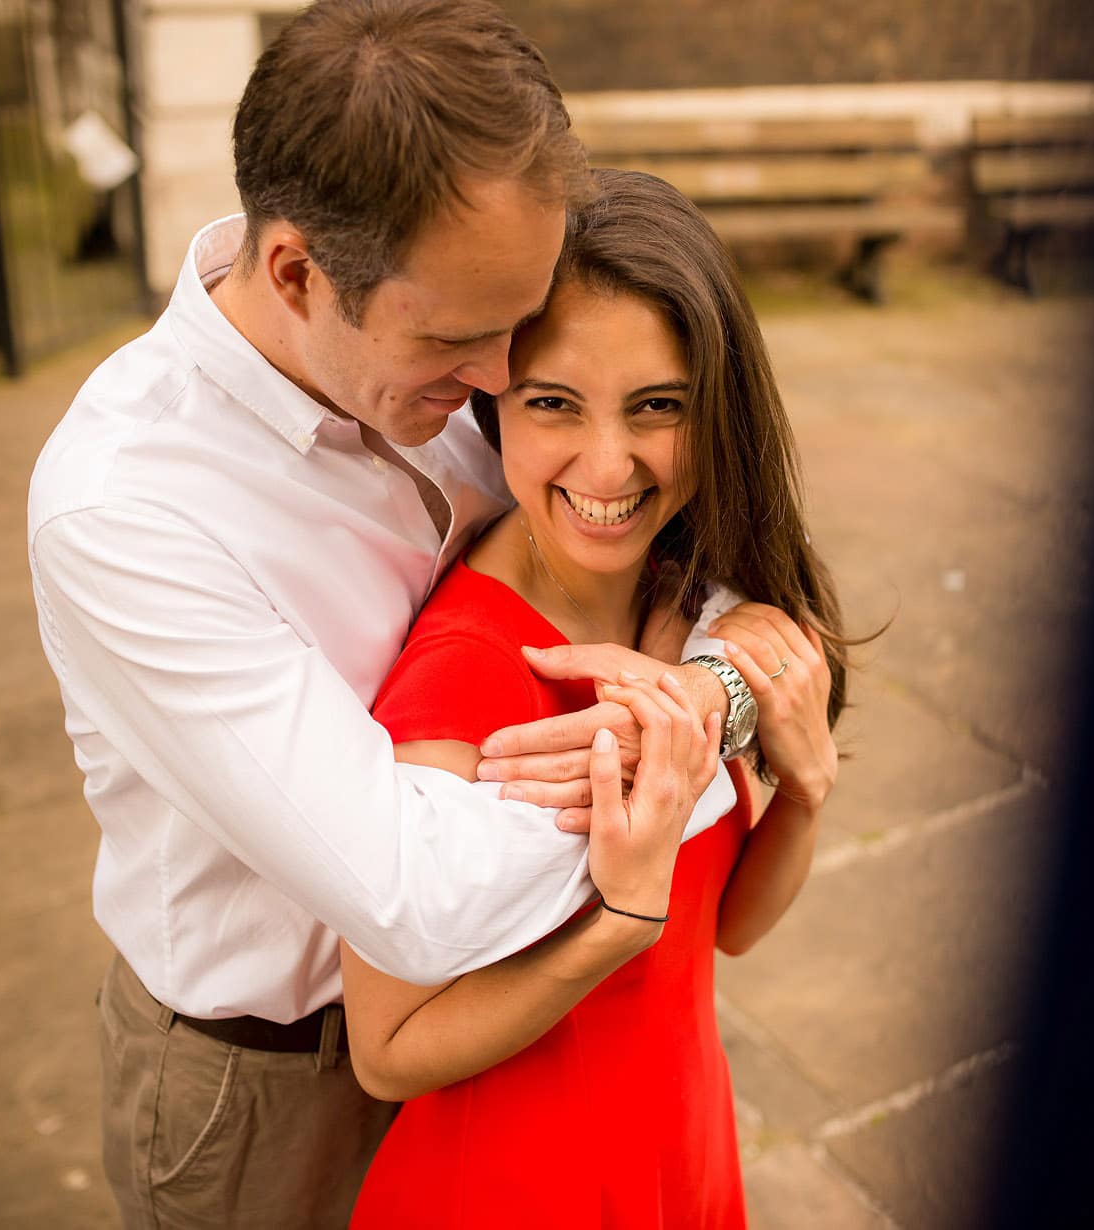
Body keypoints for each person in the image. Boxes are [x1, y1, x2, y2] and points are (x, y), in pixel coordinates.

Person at [26, 3, 757, 1225]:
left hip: (507, 1038)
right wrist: (692, 730)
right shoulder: (126, 512)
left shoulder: (441, 325)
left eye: (512, 332)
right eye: (464, 341)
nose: (495, 386)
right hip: (270, 1087)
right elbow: (412, 892)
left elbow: (662, 553)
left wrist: (722, 671)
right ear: (298, 272)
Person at [342, 168, 854, 1227]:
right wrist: (612, 923)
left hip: (679, 1138)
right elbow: (385, 1053)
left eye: (656, 407)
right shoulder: (458, 681)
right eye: (553, 404)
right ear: (494, 403)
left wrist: (803, 789)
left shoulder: (685, 601)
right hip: (520, 1187)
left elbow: (727, 930)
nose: (608, 464)